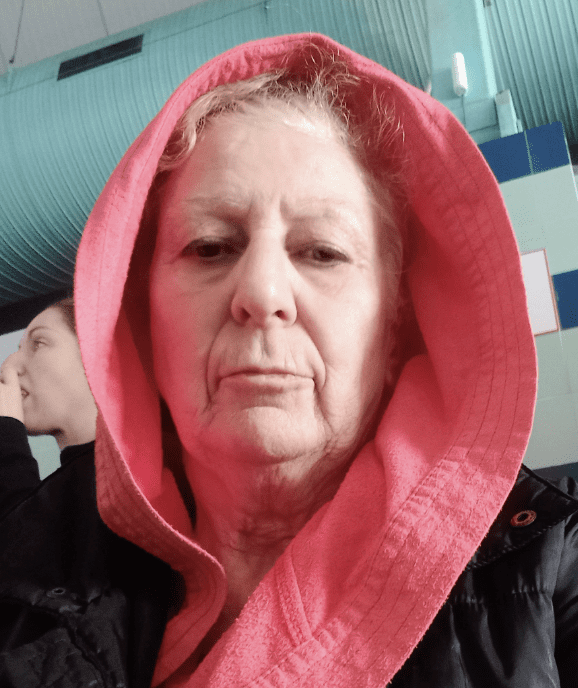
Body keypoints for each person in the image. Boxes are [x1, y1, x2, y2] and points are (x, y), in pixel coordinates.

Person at [1, 33, 577, 687]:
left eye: (323, 252)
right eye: (211, 247)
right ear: (143, 321)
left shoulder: (553, 571)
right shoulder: (22, 567)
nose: (262, 292)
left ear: (394, 332)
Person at [0, 298, 97, 516]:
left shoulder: (136, 490)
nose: (8, 366)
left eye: (39, 343)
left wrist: (6, 433)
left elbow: (19, 534)